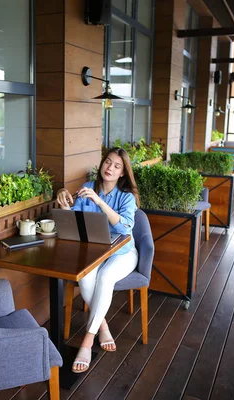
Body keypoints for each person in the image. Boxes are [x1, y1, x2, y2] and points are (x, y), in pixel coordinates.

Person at [56, 147, 140, 373]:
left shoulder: (126, 197)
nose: (110, 168)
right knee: (85, 278)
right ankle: (102, 325)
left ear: (123, 172)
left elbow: (125, 227)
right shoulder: (87, 188)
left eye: (116, 166)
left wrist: (100, 202)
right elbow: (76, 223)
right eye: (107, 162)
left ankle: (87, 341)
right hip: (94, 252)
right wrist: (66, 208)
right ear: (102, 164)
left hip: (122, 253)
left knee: (104, 277)